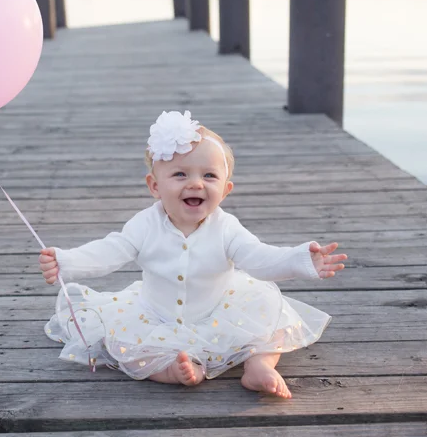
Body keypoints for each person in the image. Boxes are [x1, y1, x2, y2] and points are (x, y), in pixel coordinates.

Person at [39, 111, 346, 398]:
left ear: (225, 190)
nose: (196, 183)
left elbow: (259, 258)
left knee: (271, 325)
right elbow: (110, 251)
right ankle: (172, 370)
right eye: (181, 174)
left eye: (209, 176)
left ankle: (258, 367)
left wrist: (301, 260)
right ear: (155, 186)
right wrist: (66, 261)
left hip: (219, 310)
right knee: (131, 349)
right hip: (155, 315)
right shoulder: (145, 225)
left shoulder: (226, 228)